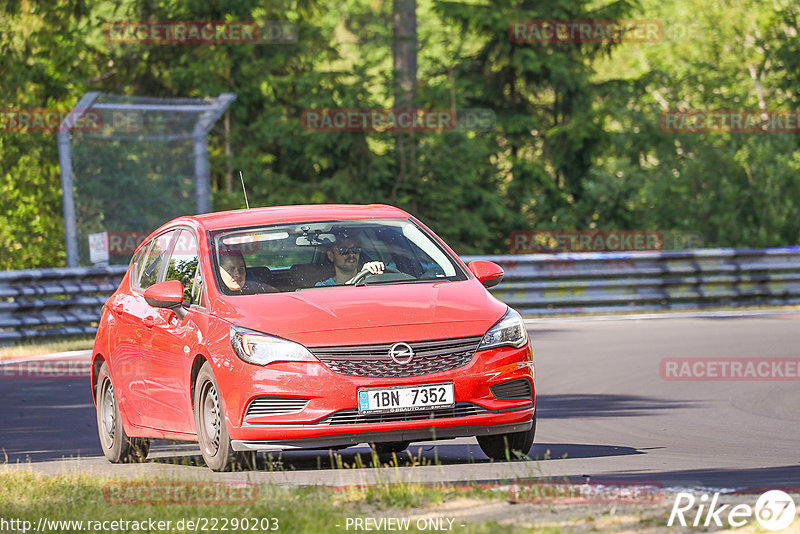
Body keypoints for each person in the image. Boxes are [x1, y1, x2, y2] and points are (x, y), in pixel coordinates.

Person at [316, 233, 385, 286]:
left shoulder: (371, 280)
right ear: (331, 256)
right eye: (344, 250)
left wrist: (377, 273)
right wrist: (360, 277)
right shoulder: (322, 286)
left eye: (355, 250)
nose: (351, 254)